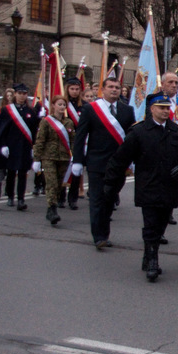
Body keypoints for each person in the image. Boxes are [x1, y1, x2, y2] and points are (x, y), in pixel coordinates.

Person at [104, 93, 178, 281]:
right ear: (152, 109)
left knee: (162, 223)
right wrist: (110, 184)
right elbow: (120, 159)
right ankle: (153, 260)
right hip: (148, 185)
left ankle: (148, 253)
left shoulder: (177, 131)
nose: (165, 111)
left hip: (169, 186)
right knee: (151, 224)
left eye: (167, 108)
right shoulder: (139, 132)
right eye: (161, 108)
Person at [71, 77, 136, 249]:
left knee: (109, 200)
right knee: (97, 199)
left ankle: (104, 233)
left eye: (117, 87)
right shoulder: (91, 109)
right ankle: (99, 236)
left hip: (119, 164)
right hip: (97, 162)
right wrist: (77, 160)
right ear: (103, 89)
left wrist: (132, 159)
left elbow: (132, 137)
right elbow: (80, 136)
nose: (114, 90)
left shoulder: (127, 110)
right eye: (111, 87)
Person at [0, 83, 39, 210]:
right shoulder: (7, 110)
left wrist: (34, 147)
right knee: (11, 172)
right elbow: (2, 129)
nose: (22, 96)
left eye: (24, 93)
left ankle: (21, 199)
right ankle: (10, 196)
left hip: (25, 146)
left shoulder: (30, 111)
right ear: (15, 94)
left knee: (23, 173)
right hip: (11, 146)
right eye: (19, 93)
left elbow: (34, 131)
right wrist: (3, 145)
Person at [32, 95, 76, 225]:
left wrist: (75, 155)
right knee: (51, 183)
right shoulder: (46, 121)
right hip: (49, 157)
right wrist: (36, 158)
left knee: (59, 184)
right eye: (59, 104)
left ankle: (52, 205)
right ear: (53, 105)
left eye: (64, 105)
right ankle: (52, 209)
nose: (62, 107)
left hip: (64, 157)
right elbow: (40, 140)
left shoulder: (69, 122)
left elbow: (72, 140)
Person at [59, 77, 87, 210]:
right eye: (72, 89)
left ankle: (73, 198)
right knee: (63, 170)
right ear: (67, 89)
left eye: (77, 89)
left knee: (76, 171)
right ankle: (60, 197)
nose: (74, 91)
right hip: (64, 141)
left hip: (78, 142)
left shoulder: (85, 106)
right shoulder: (62, 104)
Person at [160, 72, 178, 227]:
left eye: (176, 82)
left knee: (173, 182)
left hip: (176, 147)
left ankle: (169, 211)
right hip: (160, 147)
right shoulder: (155, 100)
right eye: (170, 82)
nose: (174, 85)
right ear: (163, 84)